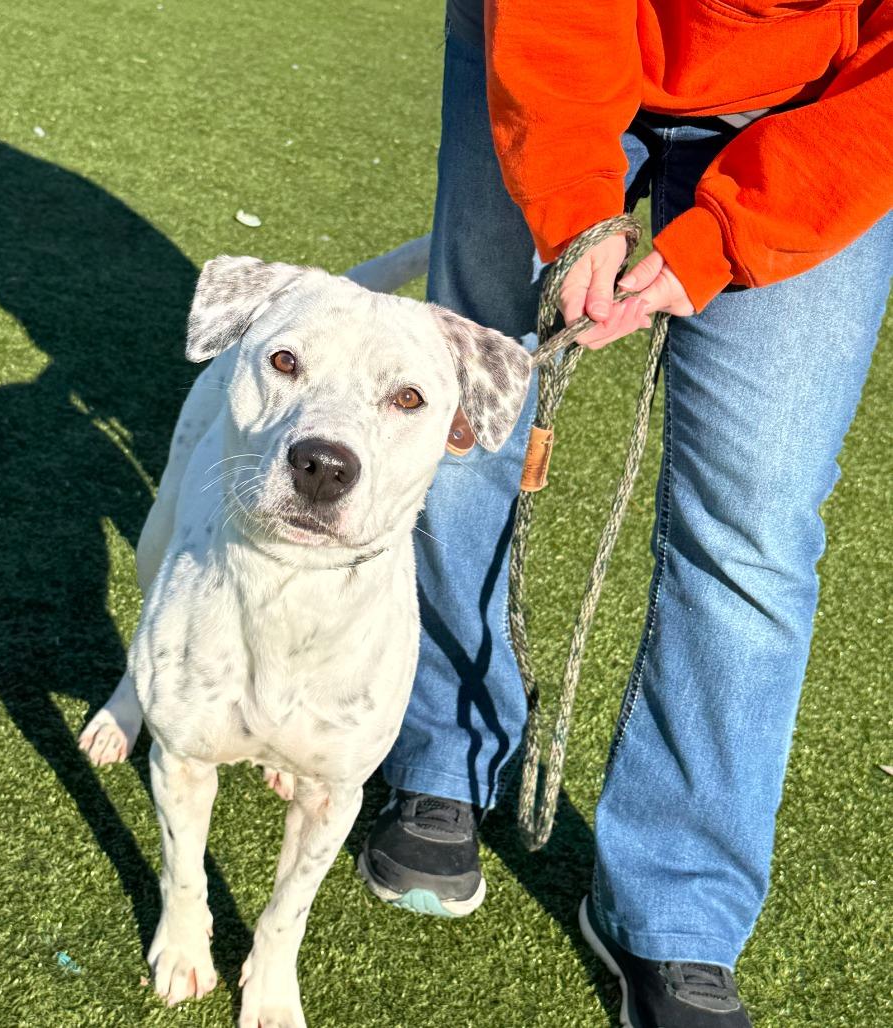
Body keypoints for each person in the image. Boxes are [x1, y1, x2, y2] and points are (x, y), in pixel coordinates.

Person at [356, 0, 893, 1024]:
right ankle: (440, 754)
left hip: (822, 96)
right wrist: (570, 202)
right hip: (547, 32)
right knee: (472, 416)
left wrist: (734, 232)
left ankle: (675, 911)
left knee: (754, 524)